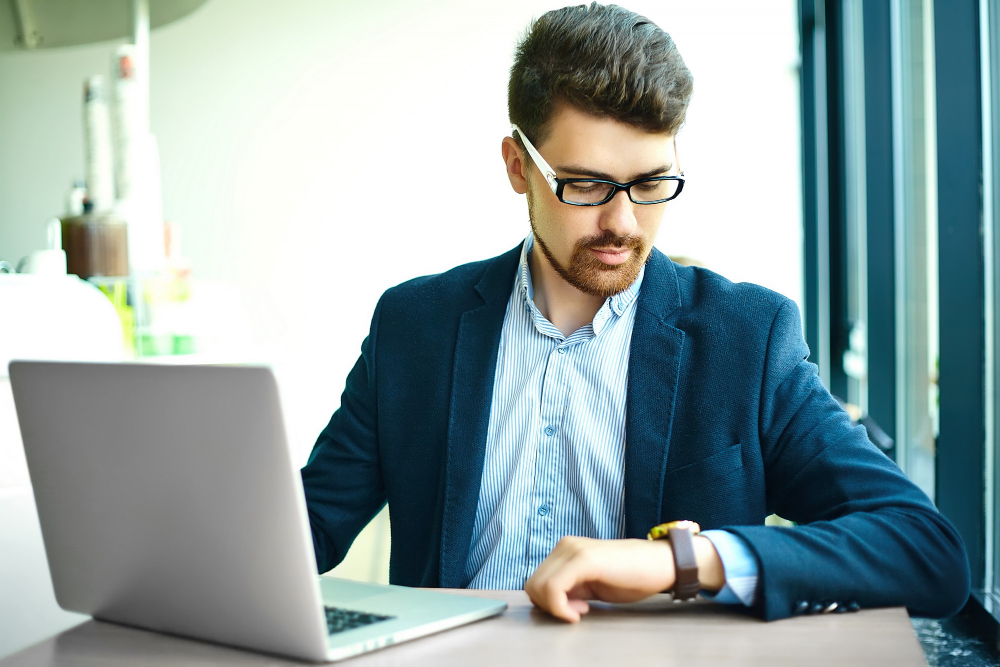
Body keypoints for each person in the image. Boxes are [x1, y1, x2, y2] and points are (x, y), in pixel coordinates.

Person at [301, 2, 970, 622]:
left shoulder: (747, 338)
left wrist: (683, 559)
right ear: (517, 165)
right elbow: (305, 528)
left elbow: (924, 549)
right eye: (586, 184)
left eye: (651, 184)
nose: (622, 223)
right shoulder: (414, 326)